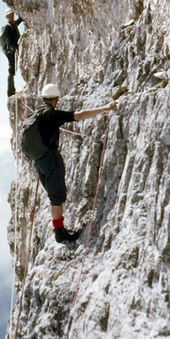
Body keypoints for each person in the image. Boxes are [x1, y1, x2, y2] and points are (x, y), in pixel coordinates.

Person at [35, 83, 116, 244]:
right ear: (56, 99)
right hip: (50, 159)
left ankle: (60, 229)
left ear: (44, 98)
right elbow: (79, 115)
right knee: (57, 197)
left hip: (38, 160)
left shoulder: (37, 114)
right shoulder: (53, 114)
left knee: (54, 195)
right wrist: (105, 108)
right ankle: (59, 232)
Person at [0, 8, 23, 97]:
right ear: (7, 17)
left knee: (12, 69)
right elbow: (9, 40)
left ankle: (11, 90)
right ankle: (10, 91)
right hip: (10, 50)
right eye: (9, 16)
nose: (11, 17)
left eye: (12, 15)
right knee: (11, 69)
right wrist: (15, 49)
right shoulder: (8, 27)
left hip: (13, 48)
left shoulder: (13, 24)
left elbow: (19, 20)